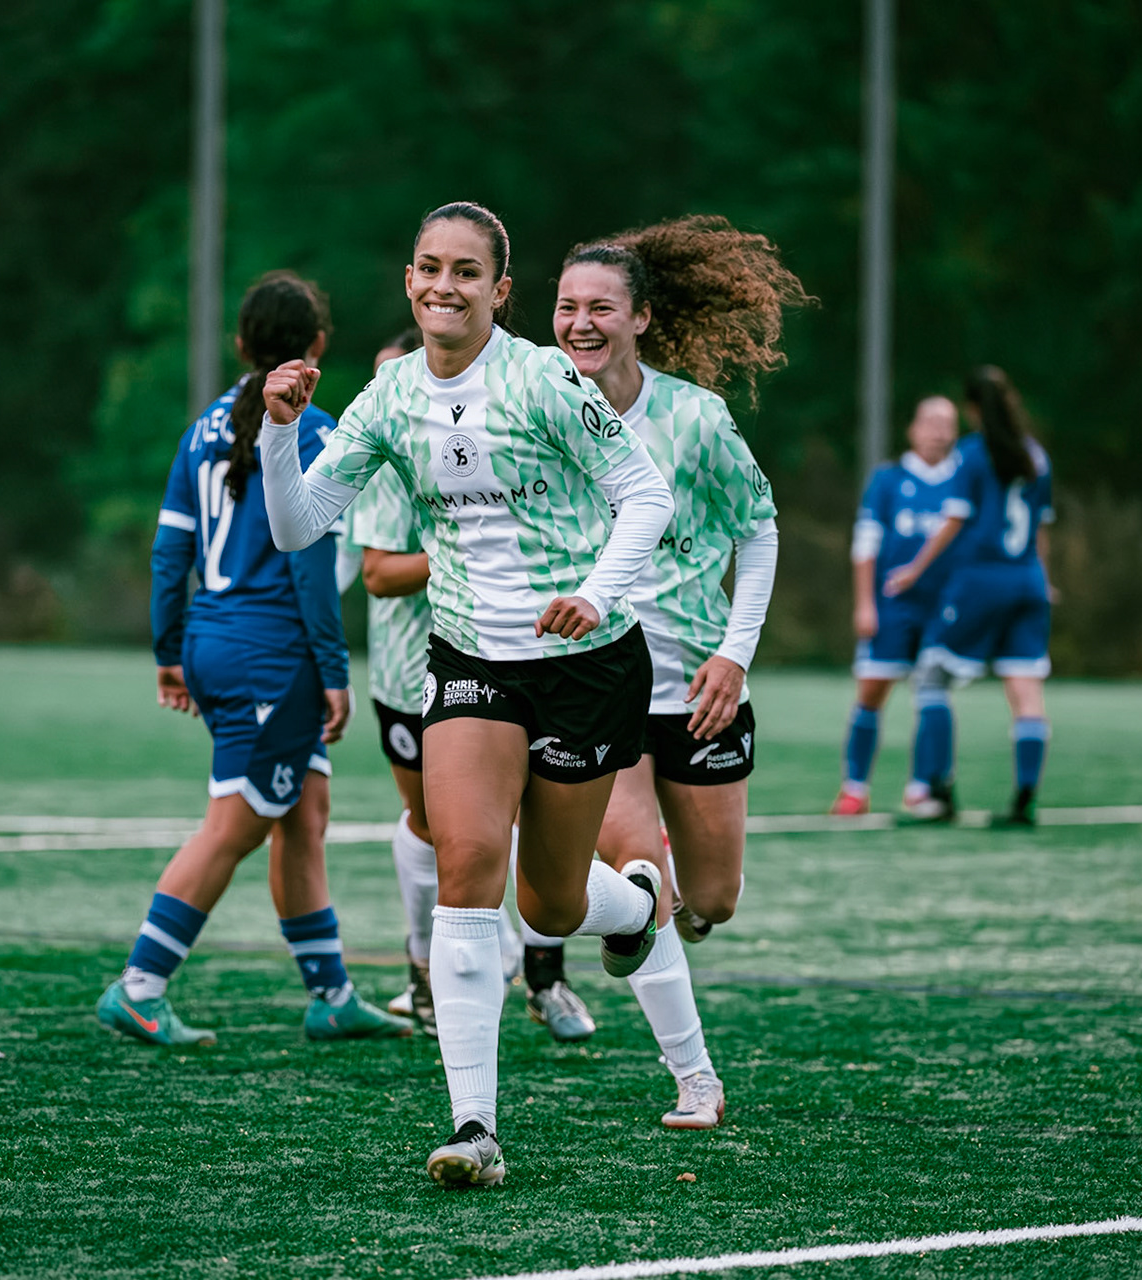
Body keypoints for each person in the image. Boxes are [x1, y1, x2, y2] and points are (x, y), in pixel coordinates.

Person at [257, 202, 675, 1189]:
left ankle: (637, 905)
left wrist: (596, 593)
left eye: (467, 272)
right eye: (429, 269)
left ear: (500, 290)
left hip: (582, 661)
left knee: (554, 898)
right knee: (469, 857)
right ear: (410, 280)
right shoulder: (389, 393)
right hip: (472, 658)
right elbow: (298, 524)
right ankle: (474, 1125)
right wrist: (278, 431)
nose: (445, 285)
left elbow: (644, 496)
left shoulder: (543, 379)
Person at [96, 272, 412, 1049]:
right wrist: (335, 672)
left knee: (304, 814)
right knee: (234, 827)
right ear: (318, 346)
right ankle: (139, 985)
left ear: (240, 344)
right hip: (273, 656)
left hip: (214, 639)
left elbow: (170, 555)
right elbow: (308, 568)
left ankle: (330, 994)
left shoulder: (201, 426)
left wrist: (171, 651)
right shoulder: (316, 427)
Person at [553, 216, 802, 1130]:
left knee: (713, 899)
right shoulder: (541, 407)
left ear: (642, 317)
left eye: (601, 308)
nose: (581, 323)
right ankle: (695, 1078)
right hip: (597, 685)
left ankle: (674, 919)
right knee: (640, 871)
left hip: (698, 689)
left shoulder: (694, 419)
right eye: (567, 306)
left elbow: (759, 531)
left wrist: (736, 652)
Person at [350, 329, 593, 1044]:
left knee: (533, 830)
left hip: (516, 656)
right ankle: (427, 968)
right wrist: (461, 552)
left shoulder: (499, 433)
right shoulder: (387, 457)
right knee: (440, 829)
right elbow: (376, 573)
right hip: (411, 670)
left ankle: (545, 979)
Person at [885, 365, 1056, 826]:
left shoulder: (973, 454)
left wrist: (913, 570)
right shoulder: (1036, 456)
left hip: (982, 581)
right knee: (1025, 690)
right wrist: (1044, 578)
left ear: (973, 410)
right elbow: (1041, 526)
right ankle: (1025, 800)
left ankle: (938, 792)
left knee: (931, 675)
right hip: (1029, 582)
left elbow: (955, 519)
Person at [833, 396, 963, 820]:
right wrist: (865, 604)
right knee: (871, 691)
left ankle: (923, 788)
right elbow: (865, 545)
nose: (938, 430)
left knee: (933, 693)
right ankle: (855, 789)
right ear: (913, 428)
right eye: (930, 421)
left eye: (947, 422)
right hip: (892, 606)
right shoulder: (888, 480)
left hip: (942, 608)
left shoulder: (963, 479)